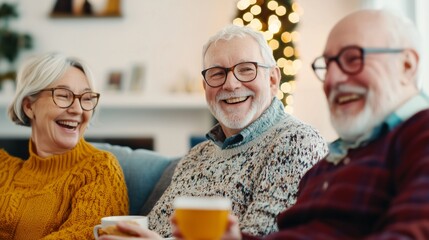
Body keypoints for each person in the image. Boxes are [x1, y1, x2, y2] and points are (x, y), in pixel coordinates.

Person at [203, 8, 429, 240]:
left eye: (352, 59)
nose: (331, 80)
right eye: (328, 65)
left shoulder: (419, 136)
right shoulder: (329, 164)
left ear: (407, 65)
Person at [99, 24, 328, 239]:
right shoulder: (196, 155)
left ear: (272, 79)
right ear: (205, 86)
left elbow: (260, 235)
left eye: (246, 69)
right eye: (217, 73)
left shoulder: (298, 141)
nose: (230, 84)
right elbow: (158, 226)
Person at [0, 52, 129, 239]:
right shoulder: (4, 169)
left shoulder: (99, 169)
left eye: (86, 98)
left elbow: (87, 234)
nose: (77, 109)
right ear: (29, 106)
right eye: (63, 95)